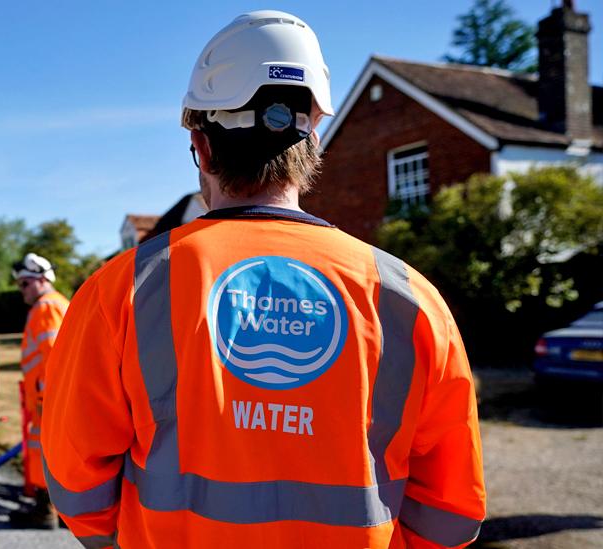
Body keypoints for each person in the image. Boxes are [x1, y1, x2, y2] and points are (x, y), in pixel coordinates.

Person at [41, 10, 485, 548]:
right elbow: (453, 508)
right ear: (312, 143)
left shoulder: (124, 289)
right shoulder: (408, 298)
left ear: (202, 147)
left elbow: (74, 477)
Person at [8, 252, 70, 529]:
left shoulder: (46, 308)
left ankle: (46, 510)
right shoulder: (55, 305)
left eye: (25, 284)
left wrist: (49, 397)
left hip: (50, 398)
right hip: (51, 396)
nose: (21, 291)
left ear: (43, 280)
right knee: (56, 451)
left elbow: (57, 357)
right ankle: (62, 511)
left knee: (46, 451)